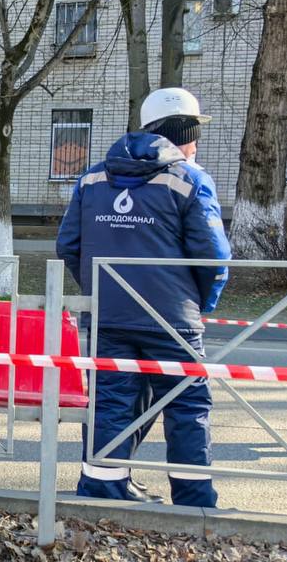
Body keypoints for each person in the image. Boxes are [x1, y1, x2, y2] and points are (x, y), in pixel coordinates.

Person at [56, 87, 231, 508]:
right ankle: (194, 503)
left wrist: (102, 291)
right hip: (173, 320)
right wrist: (201, 306)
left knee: (111, 400)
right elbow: (214, 258)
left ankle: (104, 491)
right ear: (187, 135)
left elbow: (69, 245)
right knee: (186, 405)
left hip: (107, 316)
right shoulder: (190, 180)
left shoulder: (93, 178)